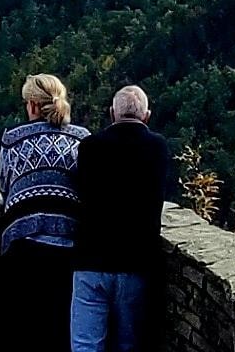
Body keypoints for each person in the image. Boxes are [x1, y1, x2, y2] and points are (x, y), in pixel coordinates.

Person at [67, 86, 176, 352]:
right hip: (136, 262)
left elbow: (80, 189)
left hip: (90, 260)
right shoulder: (157, 147)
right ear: (146, 116)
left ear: (112, 113)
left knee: (85, 345)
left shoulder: (90, 147)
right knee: (129, 345)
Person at [0, 74, 90, 350]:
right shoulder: (81, 139)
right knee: (61, 325)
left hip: (24, 242)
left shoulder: (12, 140)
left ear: (33, 106)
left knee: (26, 326)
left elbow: (4, 186)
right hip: (70, 243)